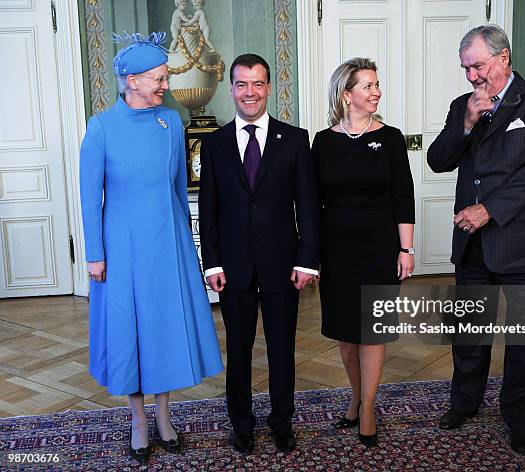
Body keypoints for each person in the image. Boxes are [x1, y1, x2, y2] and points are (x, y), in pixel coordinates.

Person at [79, 32, 223, 466]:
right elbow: (90, 198)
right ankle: (138, 419)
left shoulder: (171, 123)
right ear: (132, 80)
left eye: (165, 78)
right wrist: (95, 254)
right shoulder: (101, 127)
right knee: (131, 333)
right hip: (122, 251)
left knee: (164, 329)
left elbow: (179, 189)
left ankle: (164, 416)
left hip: (168, 243)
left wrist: (187, 245)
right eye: (159, 79)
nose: (165, 86)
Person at [427, 24, 525, 455]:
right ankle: (464, 402)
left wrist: (490, 208)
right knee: (468, 332)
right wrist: (466, 123)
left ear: (504, 58)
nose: (471, 76)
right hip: (472, 246)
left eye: (478, 65)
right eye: (466, 68)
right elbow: (437, 160)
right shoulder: (462, 105)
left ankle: (520, 418)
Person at [198, 54, 319, 454]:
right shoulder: (213, 144)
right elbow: (208, 210)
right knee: (239, 351)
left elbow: (308, 205)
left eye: (257, 83)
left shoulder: (296, 139)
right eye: (241, 84)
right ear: (231, 88)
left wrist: (306, 260)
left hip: (283, 267)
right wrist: (211, 261)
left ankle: (282, 422)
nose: (249, 92)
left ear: (269, 88)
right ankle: (242, 424)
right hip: (232, 270)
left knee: (282, 350)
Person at [312, 58, 415, 448]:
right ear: (346, 93)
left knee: (373, 331)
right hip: (336, 249)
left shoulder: (390, 137)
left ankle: (368, 406)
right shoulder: (323, 141)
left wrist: (406, 248)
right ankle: (355, 395)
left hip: (379, 247)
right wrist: (312, 254)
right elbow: (311, 201)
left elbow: (403, 196)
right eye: (368, 85)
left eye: (377, 84)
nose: (377, 92)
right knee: (345, 333)